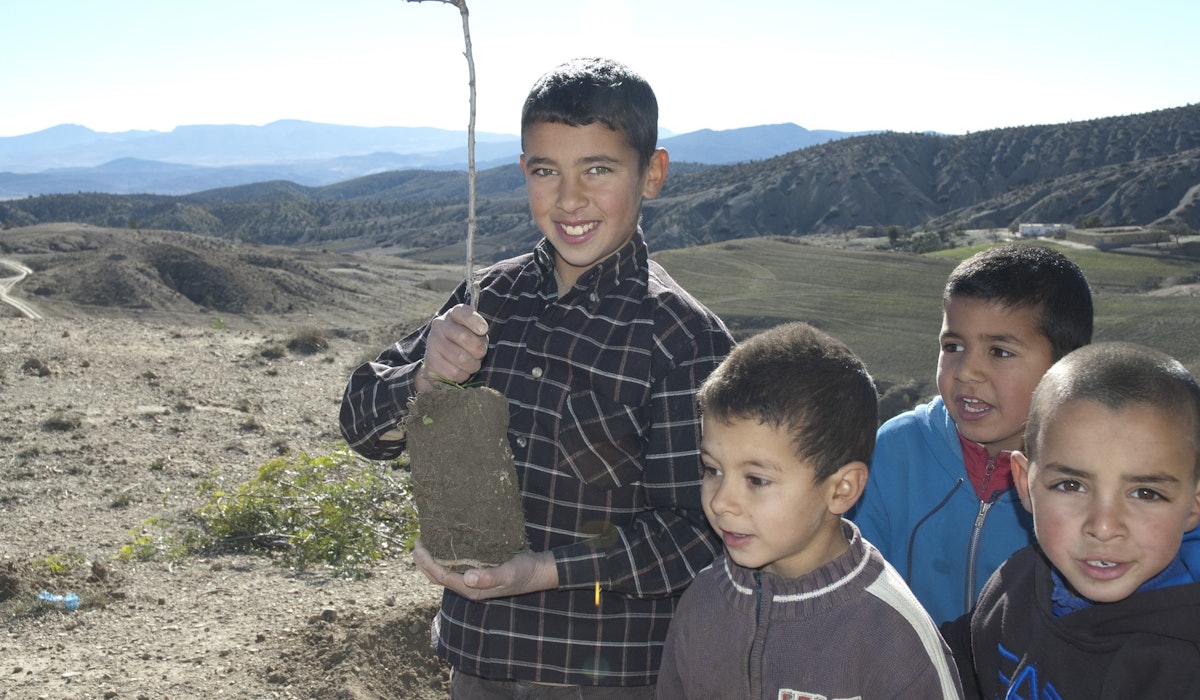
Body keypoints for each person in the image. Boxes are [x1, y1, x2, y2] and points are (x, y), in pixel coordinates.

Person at [339, 57, 735, 697]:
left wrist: (547, 570)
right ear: (524, 171)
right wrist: (422, 379)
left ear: (652, 174)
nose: (569, 198)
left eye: (598, 170)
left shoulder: (682, 339)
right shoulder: (484, 300)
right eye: (546, 171)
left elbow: (699, 533)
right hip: (479, 664)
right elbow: (359, 426)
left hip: (608, 675)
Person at [656, 322, 963, 699]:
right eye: (712, 469)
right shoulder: (703, 601)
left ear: (841, 489)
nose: (720, 502)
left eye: (756, 480)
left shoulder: (891, 635)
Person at [850, 243, 1093, 624]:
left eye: (999, 351)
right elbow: (852, 589)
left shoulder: (1086, 480)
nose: (965, 371)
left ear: (1065, 366)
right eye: (953, 346)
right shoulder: (896, 451)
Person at [943, 341, 1200, 698]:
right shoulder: (1016, 581)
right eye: (1071, 485)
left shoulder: (1179, 668)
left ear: (1193, 503)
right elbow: (950, 662)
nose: (1104, 526)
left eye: (1145, 493)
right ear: (1025, 484)